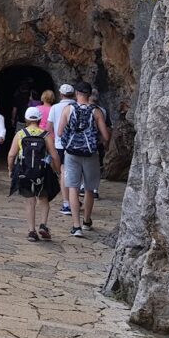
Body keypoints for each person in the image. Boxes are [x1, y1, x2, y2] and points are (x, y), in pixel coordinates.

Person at [57, 81, 111, 237]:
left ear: (76, 94)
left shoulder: (68, 109)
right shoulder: (97, 111)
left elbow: (60, 132)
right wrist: (95, 139)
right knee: (88, 188)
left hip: (71, 154)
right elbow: (106, 136)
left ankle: (76, 226)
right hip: (90, 154)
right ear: (89, 95)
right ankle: (87, 220)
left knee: (72, 187)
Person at [8, 106, 61, 241]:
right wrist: (57, 170)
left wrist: (11, 169)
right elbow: (54, 155)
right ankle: (43, 225)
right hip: (42, 172)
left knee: (29, 201)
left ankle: (32, 231)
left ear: (26, 119)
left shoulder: (20, 134)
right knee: (43, 199)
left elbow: (11, 155)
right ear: (39, 119)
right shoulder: (45, 135)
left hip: (24, 172)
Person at [49, 84, 77, 215]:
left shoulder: (55, 107)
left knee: (63, 172)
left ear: (61, 94)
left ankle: (67, 202)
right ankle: (74, 199)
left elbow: (49, 128)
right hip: (77, 145)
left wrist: (50, 142)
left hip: (60, 145)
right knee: (76, 172)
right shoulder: (78, 107)